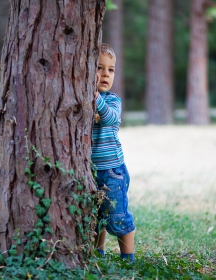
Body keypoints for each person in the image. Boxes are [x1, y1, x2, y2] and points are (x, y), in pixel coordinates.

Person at [92, 43, 135, 262]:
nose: (106, 74)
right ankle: (98, 252)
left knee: (118, 215)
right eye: (99, 68)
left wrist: (94, 95)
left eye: (111, 69)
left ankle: (128, 257)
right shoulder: (85, 100)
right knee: (96, 215)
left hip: (112, 171)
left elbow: (109, 118)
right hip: (91, 170)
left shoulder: (112, 101)